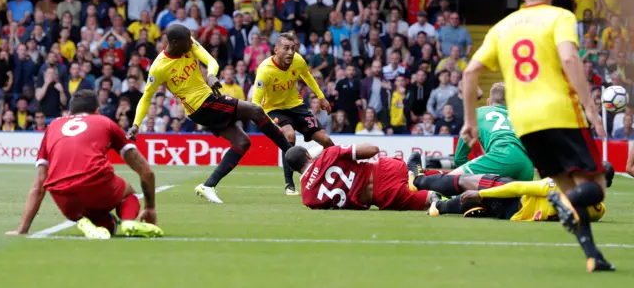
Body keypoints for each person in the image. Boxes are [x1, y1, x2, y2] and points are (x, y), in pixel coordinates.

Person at [460, 0, 613, 272]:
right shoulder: (560, 16)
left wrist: (469, 121)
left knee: (569, 191)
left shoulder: (502, 26)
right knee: (596, 185)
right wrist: (590, 107)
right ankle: (565, 209)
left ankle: (592, 255)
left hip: (524, 122)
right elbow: (569, 57)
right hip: (560, 113)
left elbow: (471, 71)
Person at [128, 25, 293, 204]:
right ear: (174, 43)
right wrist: (136, 124)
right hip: (200, 106)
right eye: (186, 41)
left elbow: (211, 60)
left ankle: (208, 185)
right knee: (255, 110)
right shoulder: (158, 68)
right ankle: (294, 156)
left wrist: (211, 75)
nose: (190, 44)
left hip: (208, 99)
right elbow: (146, 98)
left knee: (242, 142)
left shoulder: (189, 43)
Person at [6, 90, 163, 239]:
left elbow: (39, 185)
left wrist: (22, 229)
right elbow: (146, 171)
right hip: (97, 186)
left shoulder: (53, 126)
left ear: (69, 112)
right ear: (97, 110)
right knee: (128, 192)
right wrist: (150, 208)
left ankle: (83, 221)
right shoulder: (105, 122)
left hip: (64, 200)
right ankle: (128, 221)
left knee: (107, 225)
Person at [252, 33, 335, 195]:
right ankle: (289, 184)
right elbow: (256, 101)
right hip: (273, 108)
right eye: (286, 48)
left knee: (326, 140)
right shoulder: (264, 70)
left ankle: (338, 171)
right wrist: (264, 121)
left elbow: (307, 75)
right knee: (289, 135)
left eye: (293, 48)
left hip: (296, 105)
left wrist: (321, 97)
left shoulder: (298, 60)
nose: (290, 52)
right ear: (276, 50)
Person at [423, 161, 613, 223]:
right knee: (479, 197)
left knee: (472, 186)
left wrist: (482, 194)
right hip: (514, 209)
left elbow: (519, 187)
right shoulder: (598, 210)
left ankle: (432, 196)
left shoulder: (560, 187)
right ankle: (438, 201)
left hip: (512, 204)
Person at [285, 144, 432, 211]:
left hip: (383, 195)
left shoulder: (308, 198)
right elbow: (373, 150)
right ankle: (423, 176)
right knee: (438, 178)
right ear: (308, 155)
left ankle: (443, 198)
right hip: (385, 168)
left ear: (293, 170)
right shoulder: (329, 154)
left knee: (431, 201)